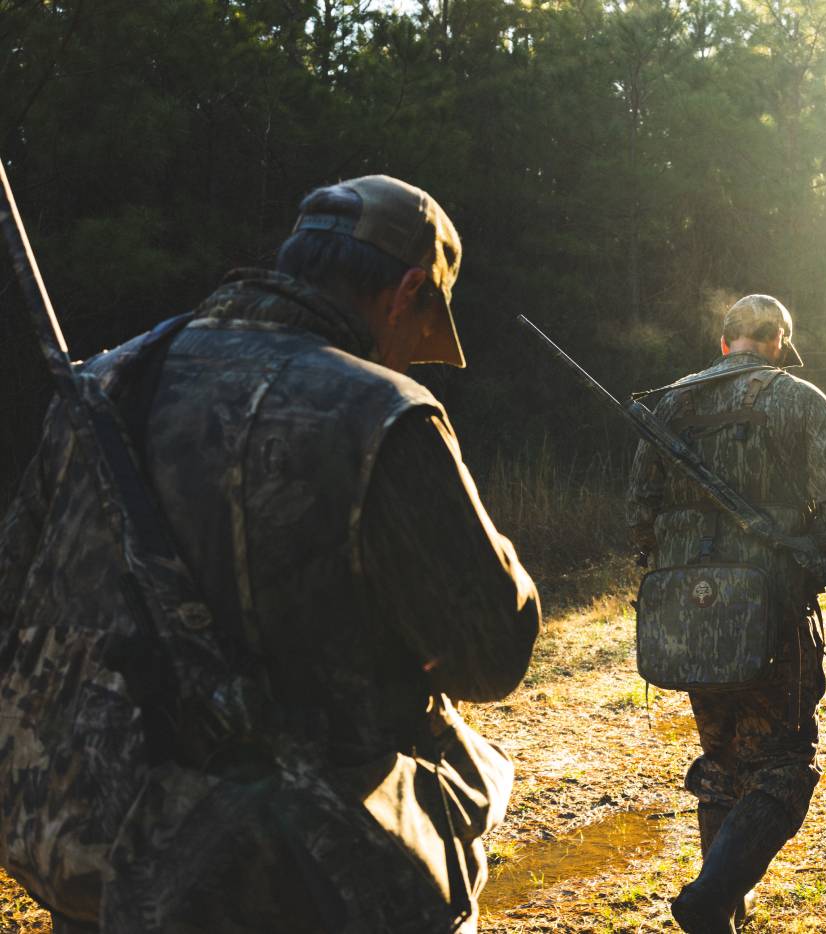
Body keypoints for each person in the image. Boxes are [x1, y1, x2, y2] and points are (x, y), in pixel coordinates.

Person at [0, 175, 540, 932]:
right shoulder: (378, 409)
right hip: (308, 878)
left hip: (110, 868)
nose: (416, 357)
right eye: (424, 331)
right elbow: (489, 654)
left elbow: (18, 592)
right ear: (408, 288)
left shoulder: (102, 384)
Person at [626, 294, 826, 933]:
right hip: (771, 615)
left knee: (722, 764)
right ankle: (710, 901)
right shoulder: (800, 399)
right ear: (780, 340)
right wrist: (802, 551)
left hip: (689, 621)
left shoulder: (670, 403)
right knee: (785, 767)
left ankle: (720, 916)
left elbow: (637, 510)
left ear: (725, 338)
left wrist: (683, 565)